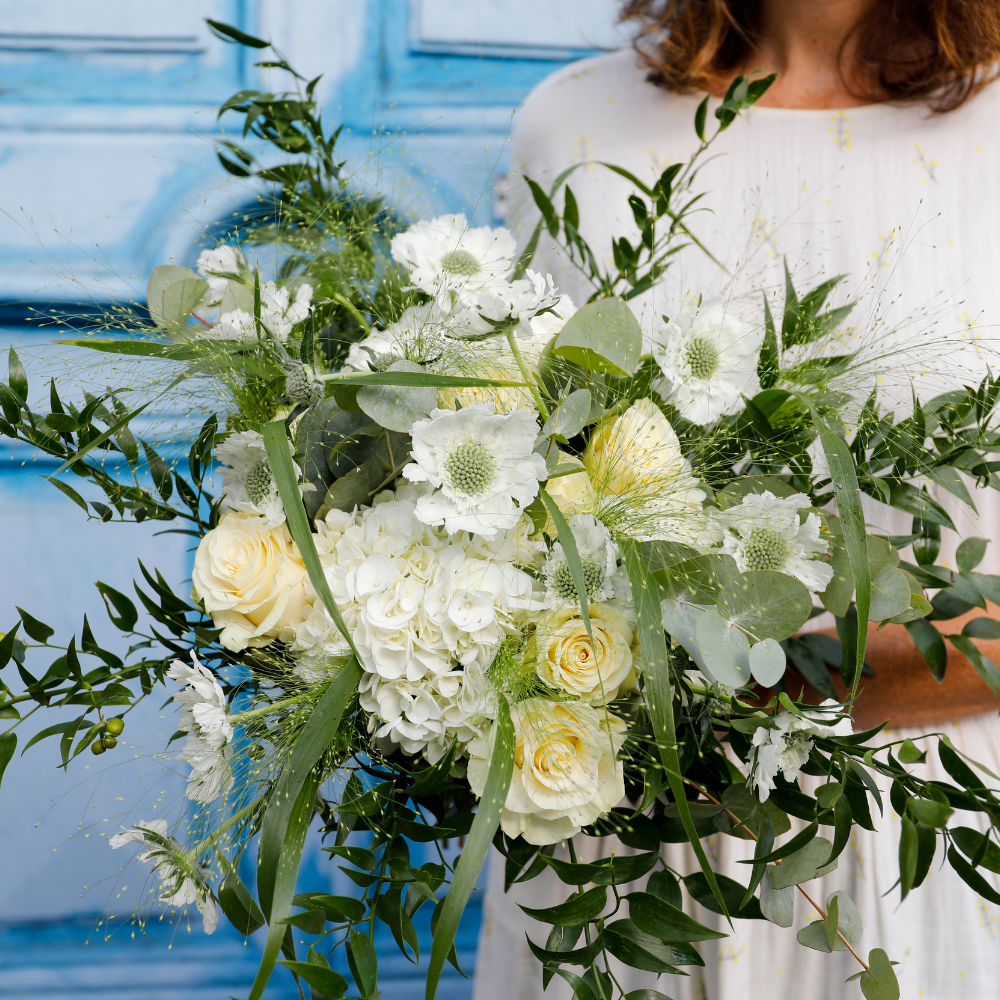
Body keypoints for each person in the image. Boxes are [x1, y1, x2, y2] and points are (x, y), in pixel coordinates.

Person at [472, 2, 1000, 998]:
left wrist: (782, 673)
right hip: (619, 871)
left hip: (936, 846)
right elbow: (519, 485)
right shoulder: (574, 124)